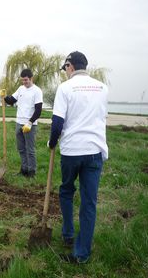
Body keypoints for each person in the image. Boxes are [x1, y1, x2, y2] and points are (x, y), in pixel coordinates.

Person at [48, 51, 108, 264]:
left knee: (66, 190)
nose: (65, 72)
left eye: (65, 68)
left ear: (69, 66)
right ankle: (81, 253)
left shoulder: (65, 88)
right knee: (89, 202)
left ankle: (68, 234)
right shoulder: (103, 88)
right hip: (94, 151)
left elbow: (57, 123)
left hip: (72, 151)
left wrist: (52, 142)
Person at [1, 69, 43, 178]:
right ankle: (24, 169)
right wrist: (5, 96)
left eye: (26, 80)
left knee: (30, 150)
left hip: (30, 125)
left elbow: (38, 110)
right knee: (21, 148)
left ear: (31, 78)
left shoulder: (37, 91)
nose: (24, 82)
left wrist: (30, 123)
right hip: (19, 123)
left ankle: (31, 172)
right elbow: (11, 100)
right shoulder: (20, 89)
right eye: (22, 80)